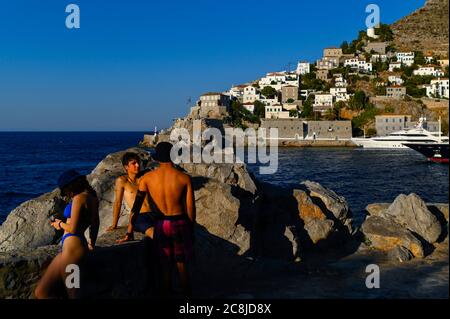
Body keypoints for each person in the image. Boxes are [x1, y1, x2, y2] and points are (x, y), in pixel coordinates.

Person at [119, 142, 196, 298]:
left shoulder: (146, 179)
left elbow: (135, 208)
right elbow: (191, 210)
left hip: (161, 224)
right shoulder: (184, 178)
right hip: (179, 222)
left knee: (165, 264)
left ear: (158, 158)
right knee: (181, 265)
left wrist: (129, 231)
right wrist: (191, 229)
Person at [34, 170, 99, 299]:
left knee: (74, 295)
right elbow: (95, 224)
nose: (66, 194)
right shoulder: (92, 197)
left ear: (71, 186)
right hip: (72, 249)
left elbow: (73, 228)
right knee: (41, 292)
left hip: (72, 253)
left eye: (65, 190)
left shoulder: (79, 198)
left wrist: (59, 224)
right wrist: (92, 243)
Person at [106, 152, 157, 240]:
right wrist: (114, 224)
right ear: (126, 167)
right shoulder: (122, 181)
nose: (137, 165)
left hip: (155, 213)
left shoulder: (144, 177)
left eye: (138, 162)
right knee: (156, 235)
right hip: (139, 217)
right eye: (133, 163)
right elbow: (118, 203)